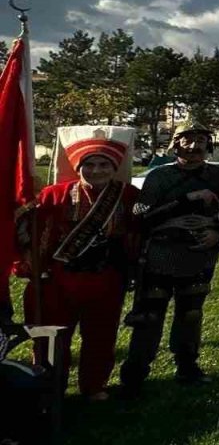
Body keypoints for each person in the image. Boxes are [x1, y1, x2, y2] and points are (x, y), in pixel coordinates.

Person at [18, 126, 139, 400]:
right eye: (90, 164)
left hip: (105, 277)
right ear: (77, 166)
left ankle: (93, 385)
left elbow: (142, 217)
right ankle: (51, 386)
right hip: (58, 279)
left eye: (104, 164)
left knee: (101, 335)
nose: (96, 170)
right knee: (52, 338)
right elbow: (29, 228)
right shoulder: (54, 194)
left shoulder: (129, 195)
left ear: (114, 166)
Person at [121, 121, 219, 396]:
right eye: (187, 139)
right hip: (161, 255)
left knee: (191, 315)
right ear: (176, 143)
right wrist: (187, 199)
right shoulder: (159, 177)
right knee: (150, 317)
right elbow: (141, 216)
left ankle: (187, 366)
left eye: (200, 139)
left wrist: (217, 233)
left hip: (198, 256)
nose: (195, 145)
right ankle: (135, 373)